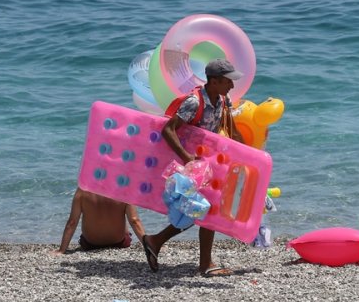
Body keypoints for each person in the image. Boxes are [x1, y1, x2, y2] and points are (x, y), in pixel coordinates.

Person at [141, 59, 245, 276]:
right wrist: (187, 158)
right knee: (205, 210)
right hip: (188, 168)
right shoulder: (193, 102)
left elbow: (233, 132)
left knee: (198, 210)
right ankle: (204, 264)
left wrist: (252, 157)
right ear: (214, 81)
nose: (232, 86)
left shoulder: (224, 101)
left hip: (207, 166)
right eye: (228, 81)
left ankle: (155, 241)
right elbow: (168, 130)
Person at [52, 188, 146, 254]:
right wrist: (148, 246)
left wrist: (62, 250)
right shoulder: (124, 189)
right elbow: (134, 221)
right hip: (118, 242)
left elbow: (72, 222)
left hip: (90, 243)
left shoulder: (83, 189)